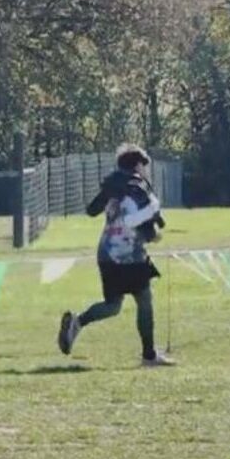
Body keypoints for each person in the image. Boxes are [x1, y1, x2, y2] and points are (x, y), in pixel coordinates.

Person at [58, 143, 174, 366]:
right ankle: (149, 356)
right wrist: (154, 235)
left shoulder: (112, 185)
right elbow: (142, 222)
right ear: (138, 164)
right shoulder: (137, 185)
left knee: (113, 305)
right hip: (129, 254)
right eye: (144, 166)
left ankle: (77, 322)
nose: (145, 171)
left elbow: (92, 210)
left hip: (106, 252)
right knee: (144, 300)